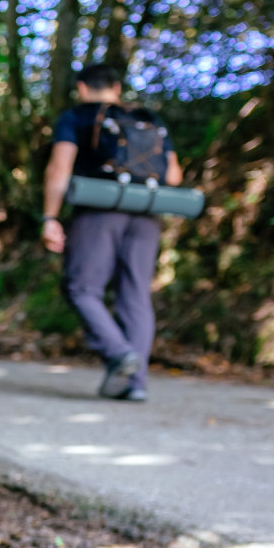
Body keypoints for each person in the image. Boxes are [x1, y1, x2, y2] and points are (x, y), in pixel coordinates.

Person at [41, 63, 182, 401]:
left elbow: (60, 167)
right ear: (117, 87)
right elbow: (174, 176)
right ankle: (136, 384)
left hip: (98, 210)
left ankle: (119, 354)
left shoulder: (76, 117)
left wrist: (49, 217)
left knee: (82, 287)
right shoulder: (149, 118)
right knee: (135, 295)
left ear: (82, 88)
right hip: (146, 213)